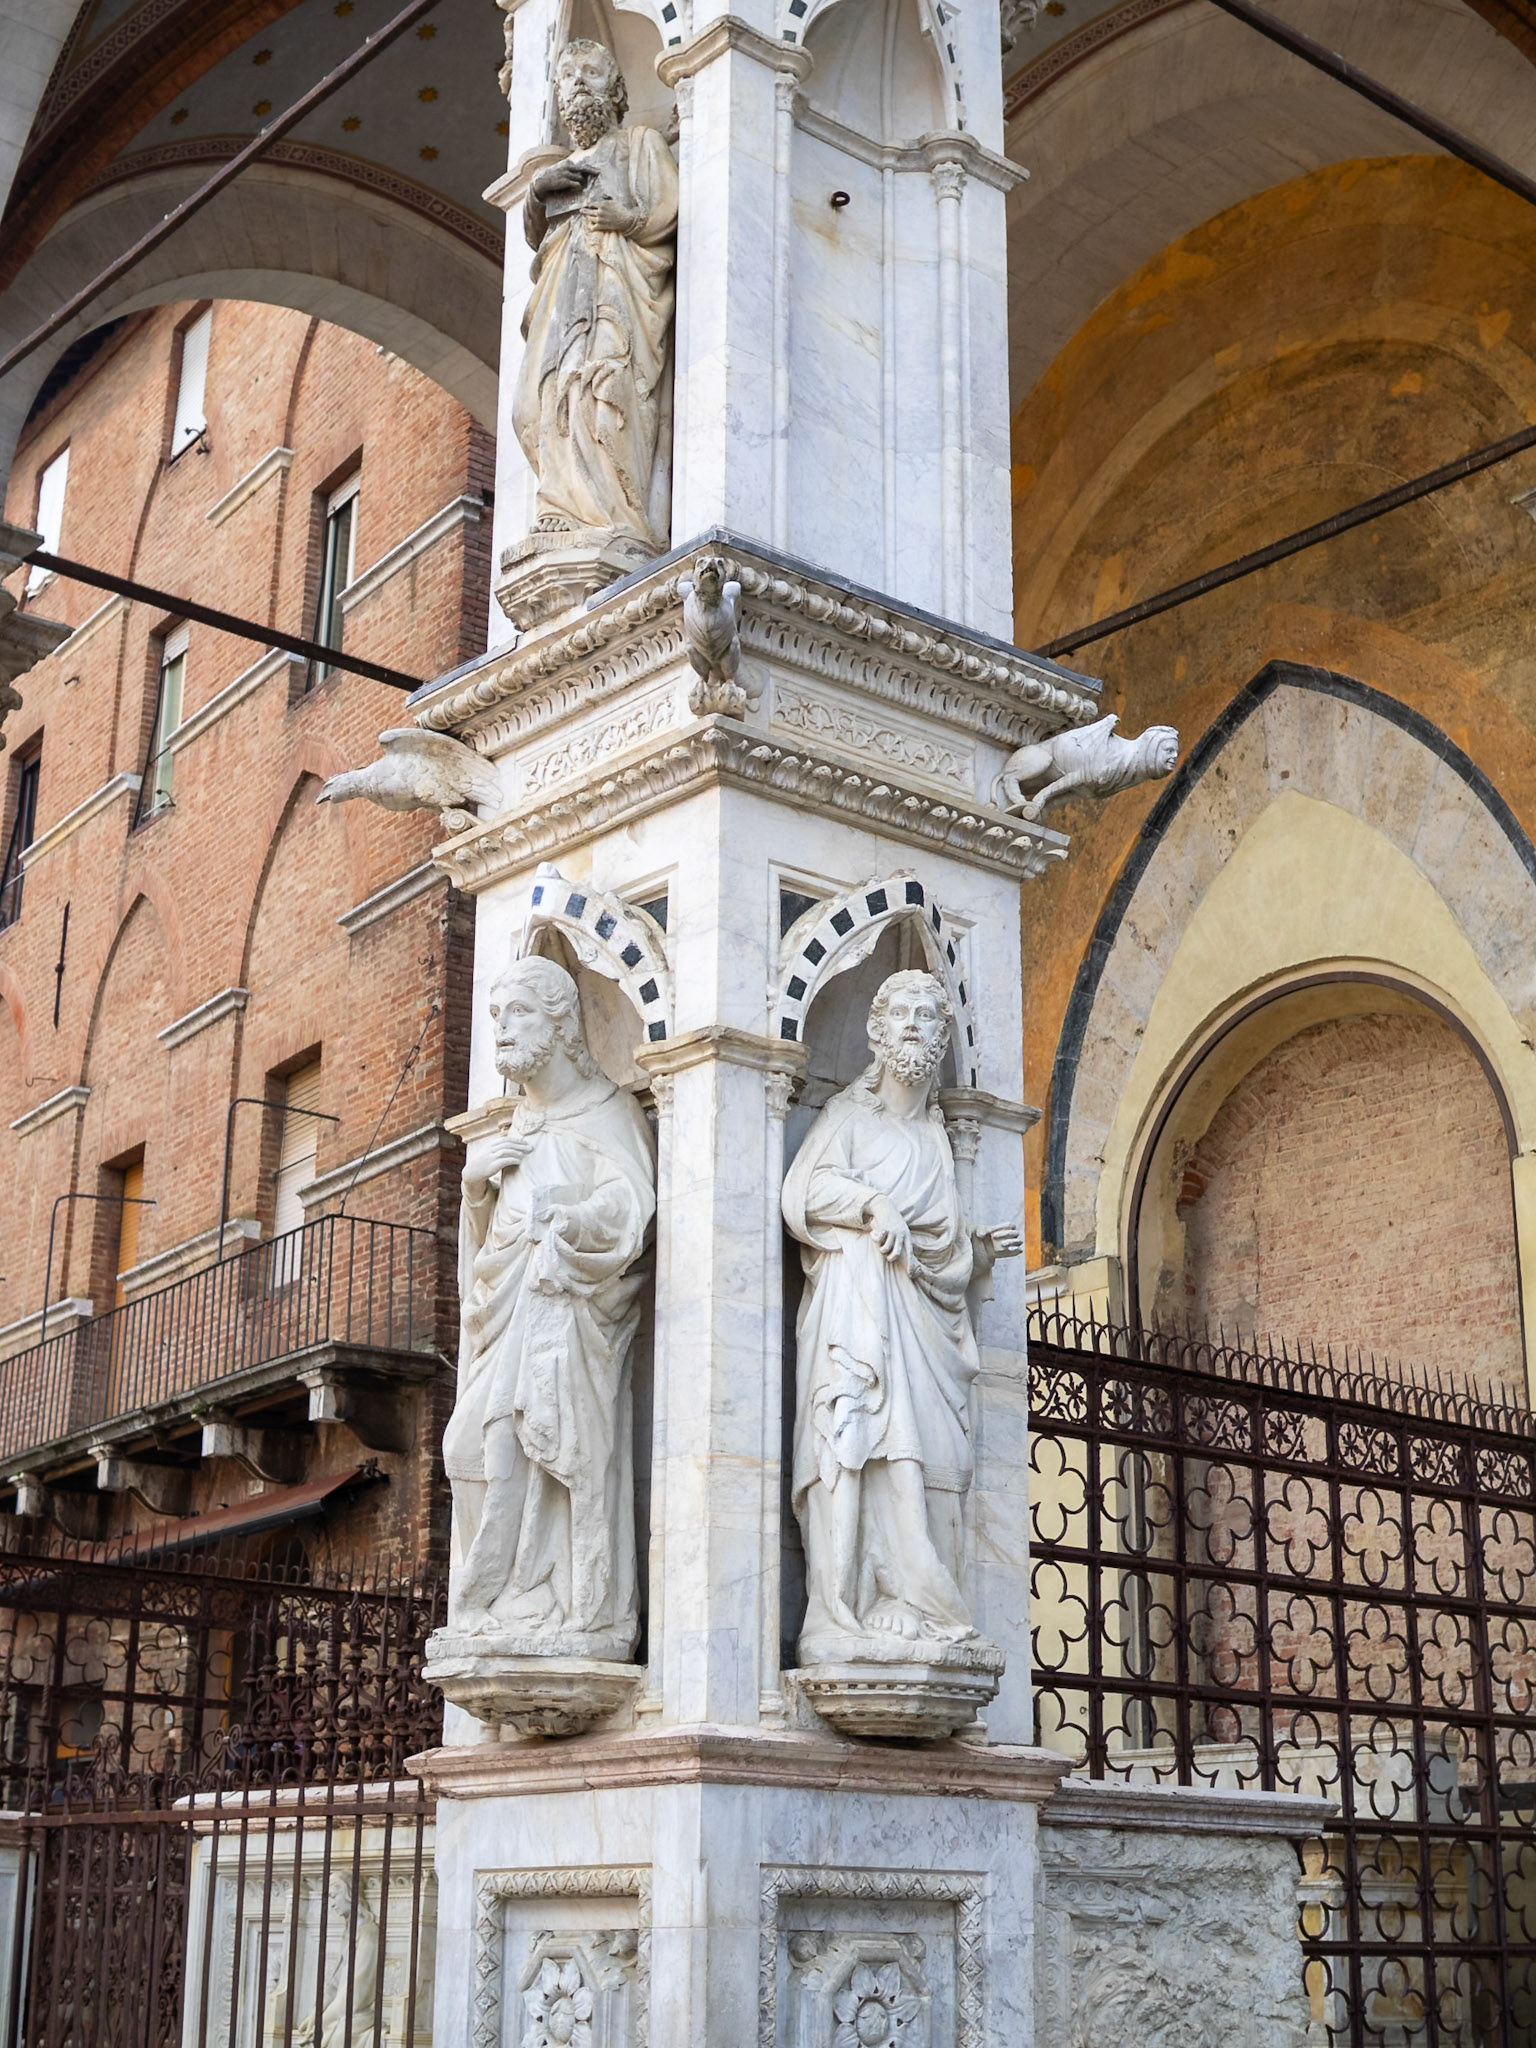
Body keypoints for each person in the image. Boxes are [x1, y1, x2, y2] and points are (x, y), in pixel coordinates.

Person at [782, 969, 1023, 1658]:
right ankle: (851, 1603)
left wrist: (973, 1255)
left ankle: (913, 1597)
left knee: (939, 1460)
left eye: (928, 1014)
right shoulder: (848, 1120)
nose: (915, 1023)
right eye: (902, 1013)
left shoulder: (940, 1143)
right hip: (856, 1319)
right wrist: (871, 1206)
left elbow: (940, 1261)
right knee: (858, 1442)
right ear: (876, 1032)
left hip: (926, 1331)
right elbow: (802, 1192)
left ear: (945, 1036)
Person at [444, 956, 655, 1651]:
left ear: (562, 1024)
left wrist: (567, 1222)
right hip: (508, 1323)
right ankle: (501, 1599)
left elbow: (631, 1210)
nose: (501, 1029)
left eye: (519, 1014)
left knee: (548, 1449)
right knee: (466, 1445)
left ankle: (573, 1609)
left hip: (569, 1322)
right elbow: (482, 1266)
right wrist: (477, 1189)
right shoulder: (514, 1131)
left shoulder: (608, 1112)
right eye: (497, 1015)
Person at [513, 39, 678, 561]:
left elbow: (670, 208)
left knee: (603, 396)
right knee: (536, 406)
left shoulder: (640, 143)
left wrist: (626, 222)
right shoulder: (561, 167)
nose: (578, 81)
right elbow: (534, 237)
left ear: (618, 88)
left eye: (591, 71)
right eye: (567, 76)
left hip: (617, 287)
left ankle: (618, 518)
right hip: (562, 295)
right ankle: (559, 510)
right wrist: (539, 191)